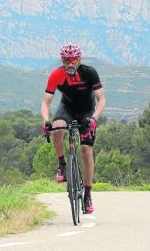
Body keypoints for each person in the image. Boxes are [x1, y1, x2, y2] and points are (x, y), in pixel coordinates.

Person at [40, 43, 106, 214]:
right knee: (57, 128)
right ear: (62, 60)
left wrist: (94, 118)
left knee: (86, 149)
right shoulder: (56, 75)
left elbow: (101, 99)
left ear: (79, 59)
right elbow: (45, 102)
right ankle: (62, 164)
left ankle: (88, 194)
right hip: (67, 109)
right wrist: (46, 121)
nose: (70, 63)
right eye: (66, 60)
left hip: (87, 111)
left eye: (73, 60)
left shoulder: (89, 72)